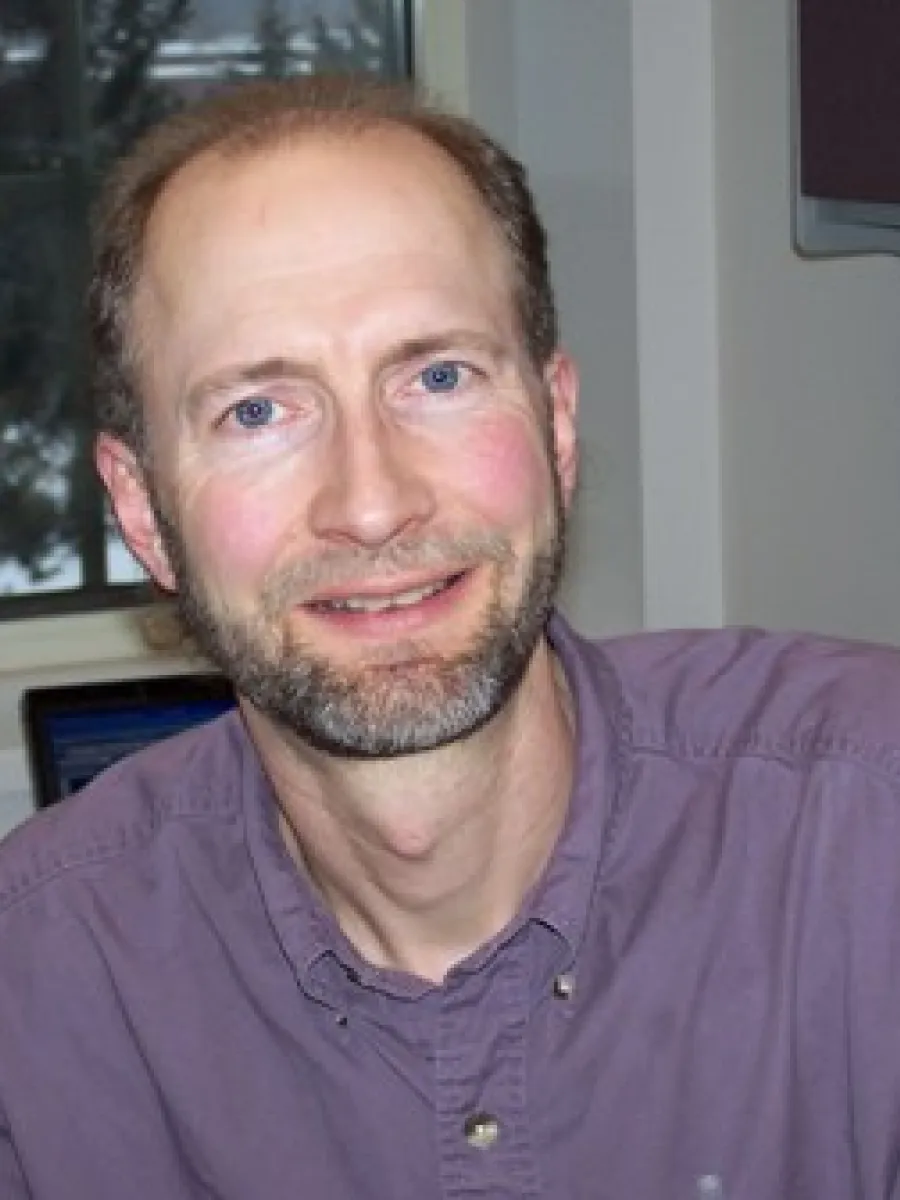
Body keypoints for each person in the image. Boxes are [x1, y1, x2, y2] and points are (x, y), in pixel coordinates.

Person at [1, 74, 900, 1200]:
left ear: (556, 425)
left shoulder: (868, 839)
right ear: (142, 513)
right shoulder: (38, 984)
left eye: (436, 377)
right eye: (258, 411)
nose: (372, 503)